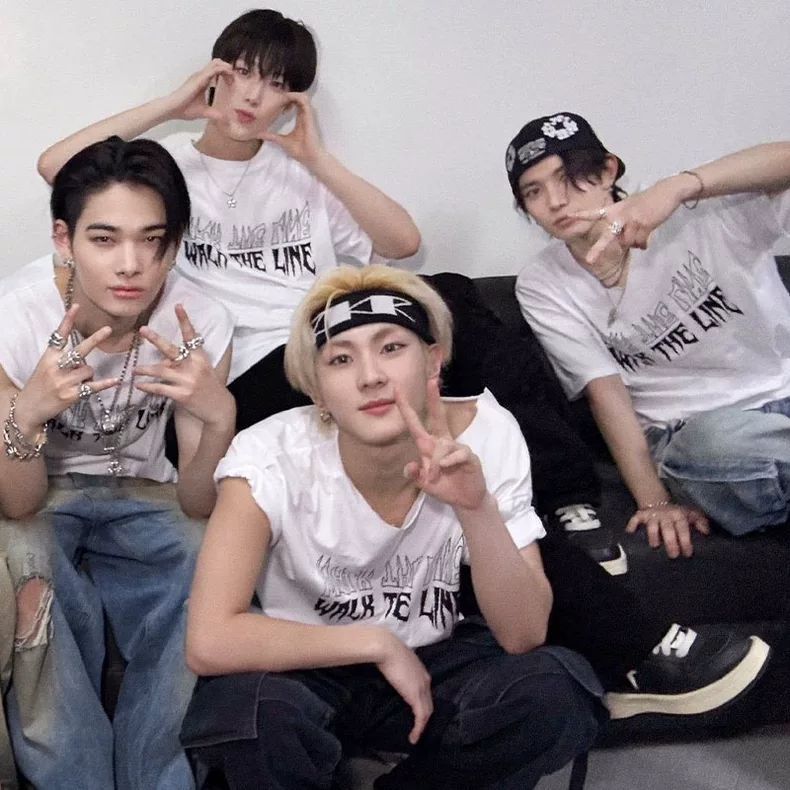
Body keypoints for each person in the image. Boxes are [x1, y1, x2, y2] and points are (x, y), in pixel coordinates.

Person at [179, 265, 606, 789]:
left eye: (391, 348)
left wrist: (476, 509)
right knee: (248, 713)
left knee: (556, 691)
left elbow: (523, 634)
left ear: (433, 361)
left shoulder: (487, 433)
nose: (371, 377)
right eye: (341, 359)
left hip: (436, 656)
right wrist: (377, 643)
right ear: (317, 390)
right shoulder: (267, 455)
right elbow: (209, 639)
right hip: (304, 664)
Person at [37, 8, 420, 431]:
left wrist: (318, 160)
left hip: (315, 350)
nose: (253, 96)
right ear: (214, 75)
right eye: (242, 72)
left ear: (291, 102)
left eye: (276, 84)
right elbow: (56, 168)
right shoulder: (168, 170)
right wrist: (169, 106)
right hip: (226, 367)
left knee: (447, 295)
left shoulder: (304, 175)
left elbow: (404, 243)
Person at [0, 136, 235, 789]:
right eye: (104, 239)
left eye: (151, 240)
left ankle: (157, 778)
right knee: (25, 555)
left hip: (147, 492)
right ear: (64, 238)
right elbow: (17, 502)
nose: (130, 265)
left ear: (174, 244)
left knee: (210, 556)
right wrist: (26, 415)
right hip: (44, 492)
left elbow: (198, 502)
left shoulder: (200, 320)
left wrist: (219, 417)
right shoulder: (13, 321)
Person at [506, 111, 790, 557]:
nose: (556, 202)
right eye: (533, 192)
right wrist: (654, 501)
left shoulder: (696, 212)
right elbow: (605, 392)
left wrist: (678, 187)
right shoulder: (544, 284)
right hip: (698, 439)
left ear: (608, 171)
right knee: (707, 448)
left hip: (782, 404)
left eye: (568, 178)